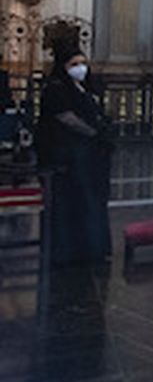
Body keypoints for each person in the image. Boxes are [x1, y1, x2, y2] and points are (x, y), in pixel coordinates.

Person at [36, 46, 111, 267]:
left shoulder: (84, 87)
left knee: (91, 200)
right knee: (72, 202)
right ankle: (69, 252)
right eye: (74, 64)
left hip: (88, 155)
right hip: (67, 155)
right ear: (63, 67)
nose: (80, 68)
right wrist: (93, 133)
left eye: (83, 63)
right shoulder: (56, 88)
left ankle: (92, 248)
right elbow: (66, 117)